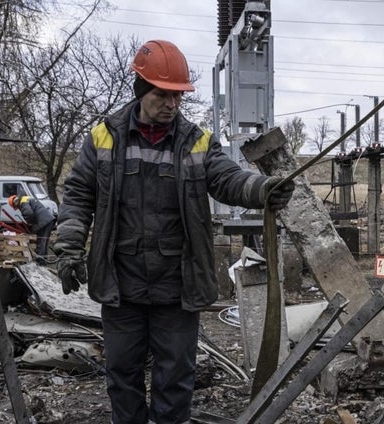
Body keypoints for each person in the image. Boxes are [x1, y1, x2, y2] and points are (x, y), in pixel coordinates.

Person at [54, 39, 294, 424]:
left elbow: (226, 178)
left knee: (175, 378)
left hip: (177, 287)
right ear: (140, 90)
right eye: (163, 95)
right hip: (122, 286)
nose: (172, 104)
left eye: (178, 97)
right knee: (122, 375)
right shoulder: (104, 138)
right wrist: (67, 248)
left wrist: (261, 190)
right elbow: (78, 195)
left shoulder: (196, 142)